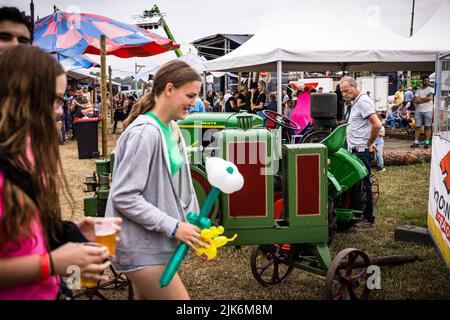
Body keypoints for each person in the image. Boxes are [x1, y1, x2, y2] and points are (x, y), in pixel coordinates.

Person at [0, 45, 122, 300]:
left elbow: (18, 242)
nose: (60, 110)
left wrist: (65, 233)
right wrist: (51, 263)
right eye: (54, 99)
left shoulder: (28, 155)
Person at [105, 60, 209, 300]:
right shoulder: (145, 132)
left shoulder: (172, 129)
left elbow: (177, 192)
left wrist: (193, 234)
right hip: (138, 247)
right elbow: (124, 196)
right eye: (190, 95)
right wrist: (174, 227)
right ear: (169, 89)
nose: (195, 103)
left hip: (153, 244)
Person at [340, 76, 382, 228]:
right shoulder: (356, 102)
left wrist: (370, 143)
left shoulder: (363, 101)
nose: (344, 94)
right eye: (342, 92)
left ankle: (368, 218)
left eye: (346, 90)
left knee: (364, 185)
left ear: (354, 86)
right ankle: (360, 213)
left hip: (361, 150)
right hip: (355, 149)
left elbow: (377, 125)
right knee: (358, 184)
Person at [411, 76, 434, 148]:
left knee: (428, 126)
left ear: (429, 81)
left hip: (428, 110)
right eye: (425, 81)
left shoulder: (431, 89)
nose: (426, 82)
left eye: (427, 81)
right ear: (422, 81)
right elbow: (415, 100)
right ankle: (416, 141)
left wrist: (420, 99)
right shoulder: (418, 90)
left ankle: (426, 142)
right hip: (418, 111)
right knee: (417, 126)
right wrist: (425, 99)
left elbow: (430, 98)